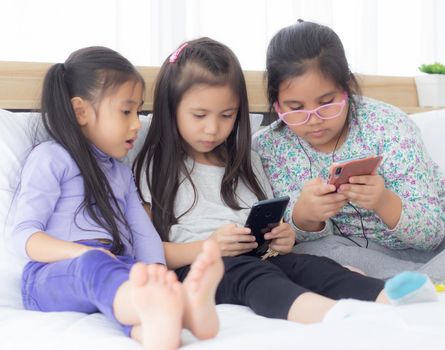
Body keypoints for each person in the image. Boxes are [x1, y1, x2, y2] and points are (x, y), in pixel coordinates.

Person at [133, 37, 438, 326]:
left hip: (259, 256)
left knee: (312, 266)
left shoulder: (247, 160)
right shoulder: (153, 165)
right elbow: (146, 249)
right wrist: (209, 248)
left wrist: (283, 237)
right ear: (170, 108)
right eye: (199, 115)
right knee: (254, 278)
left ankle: (392, 296)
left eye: (226, 115)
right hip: (202, 268)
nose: (213, 128)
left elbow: (272, 227)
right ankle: (329, 314)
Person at [9, 46, 223, 350]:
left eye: (138, 111)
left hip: (112, 268)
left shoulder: (121, 173)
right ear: (80, 111)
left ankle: (161, 326)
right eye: (126, 111)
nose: (137, 123)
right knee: (100, 270)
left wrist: (158, 274)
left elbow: (143, 234)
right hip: (50, 276)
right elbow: (24, 235)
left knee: (134, 277)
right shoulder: (51, 158)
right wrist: (81, 254)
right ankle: (176, 309)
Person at [253, 19, 445, 281]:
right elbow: (285, 239)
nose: (314, 119)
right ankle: (412, 283)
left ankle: (412, 281)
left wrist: (383, 201)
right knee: (307, 256)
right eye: (296, 108)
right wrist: (304, 216)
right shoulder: (269, 147)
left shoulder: (388, 125)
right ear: (276, 105)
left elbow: (432, 233)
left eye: (327, 103)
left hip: (427, 250)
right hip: (347, 254)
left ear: (347, 89)